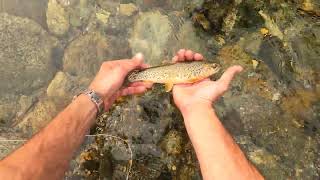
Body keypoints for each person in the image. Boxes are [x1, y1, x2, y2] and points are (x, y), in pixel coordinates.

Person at [0, 49, 263, 180]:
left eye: (213, 68)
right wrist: (198, 109)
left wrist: (197, 106)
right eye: (212, 68)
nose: (213, 69)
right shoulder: (199, 69)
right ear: (204, 70)